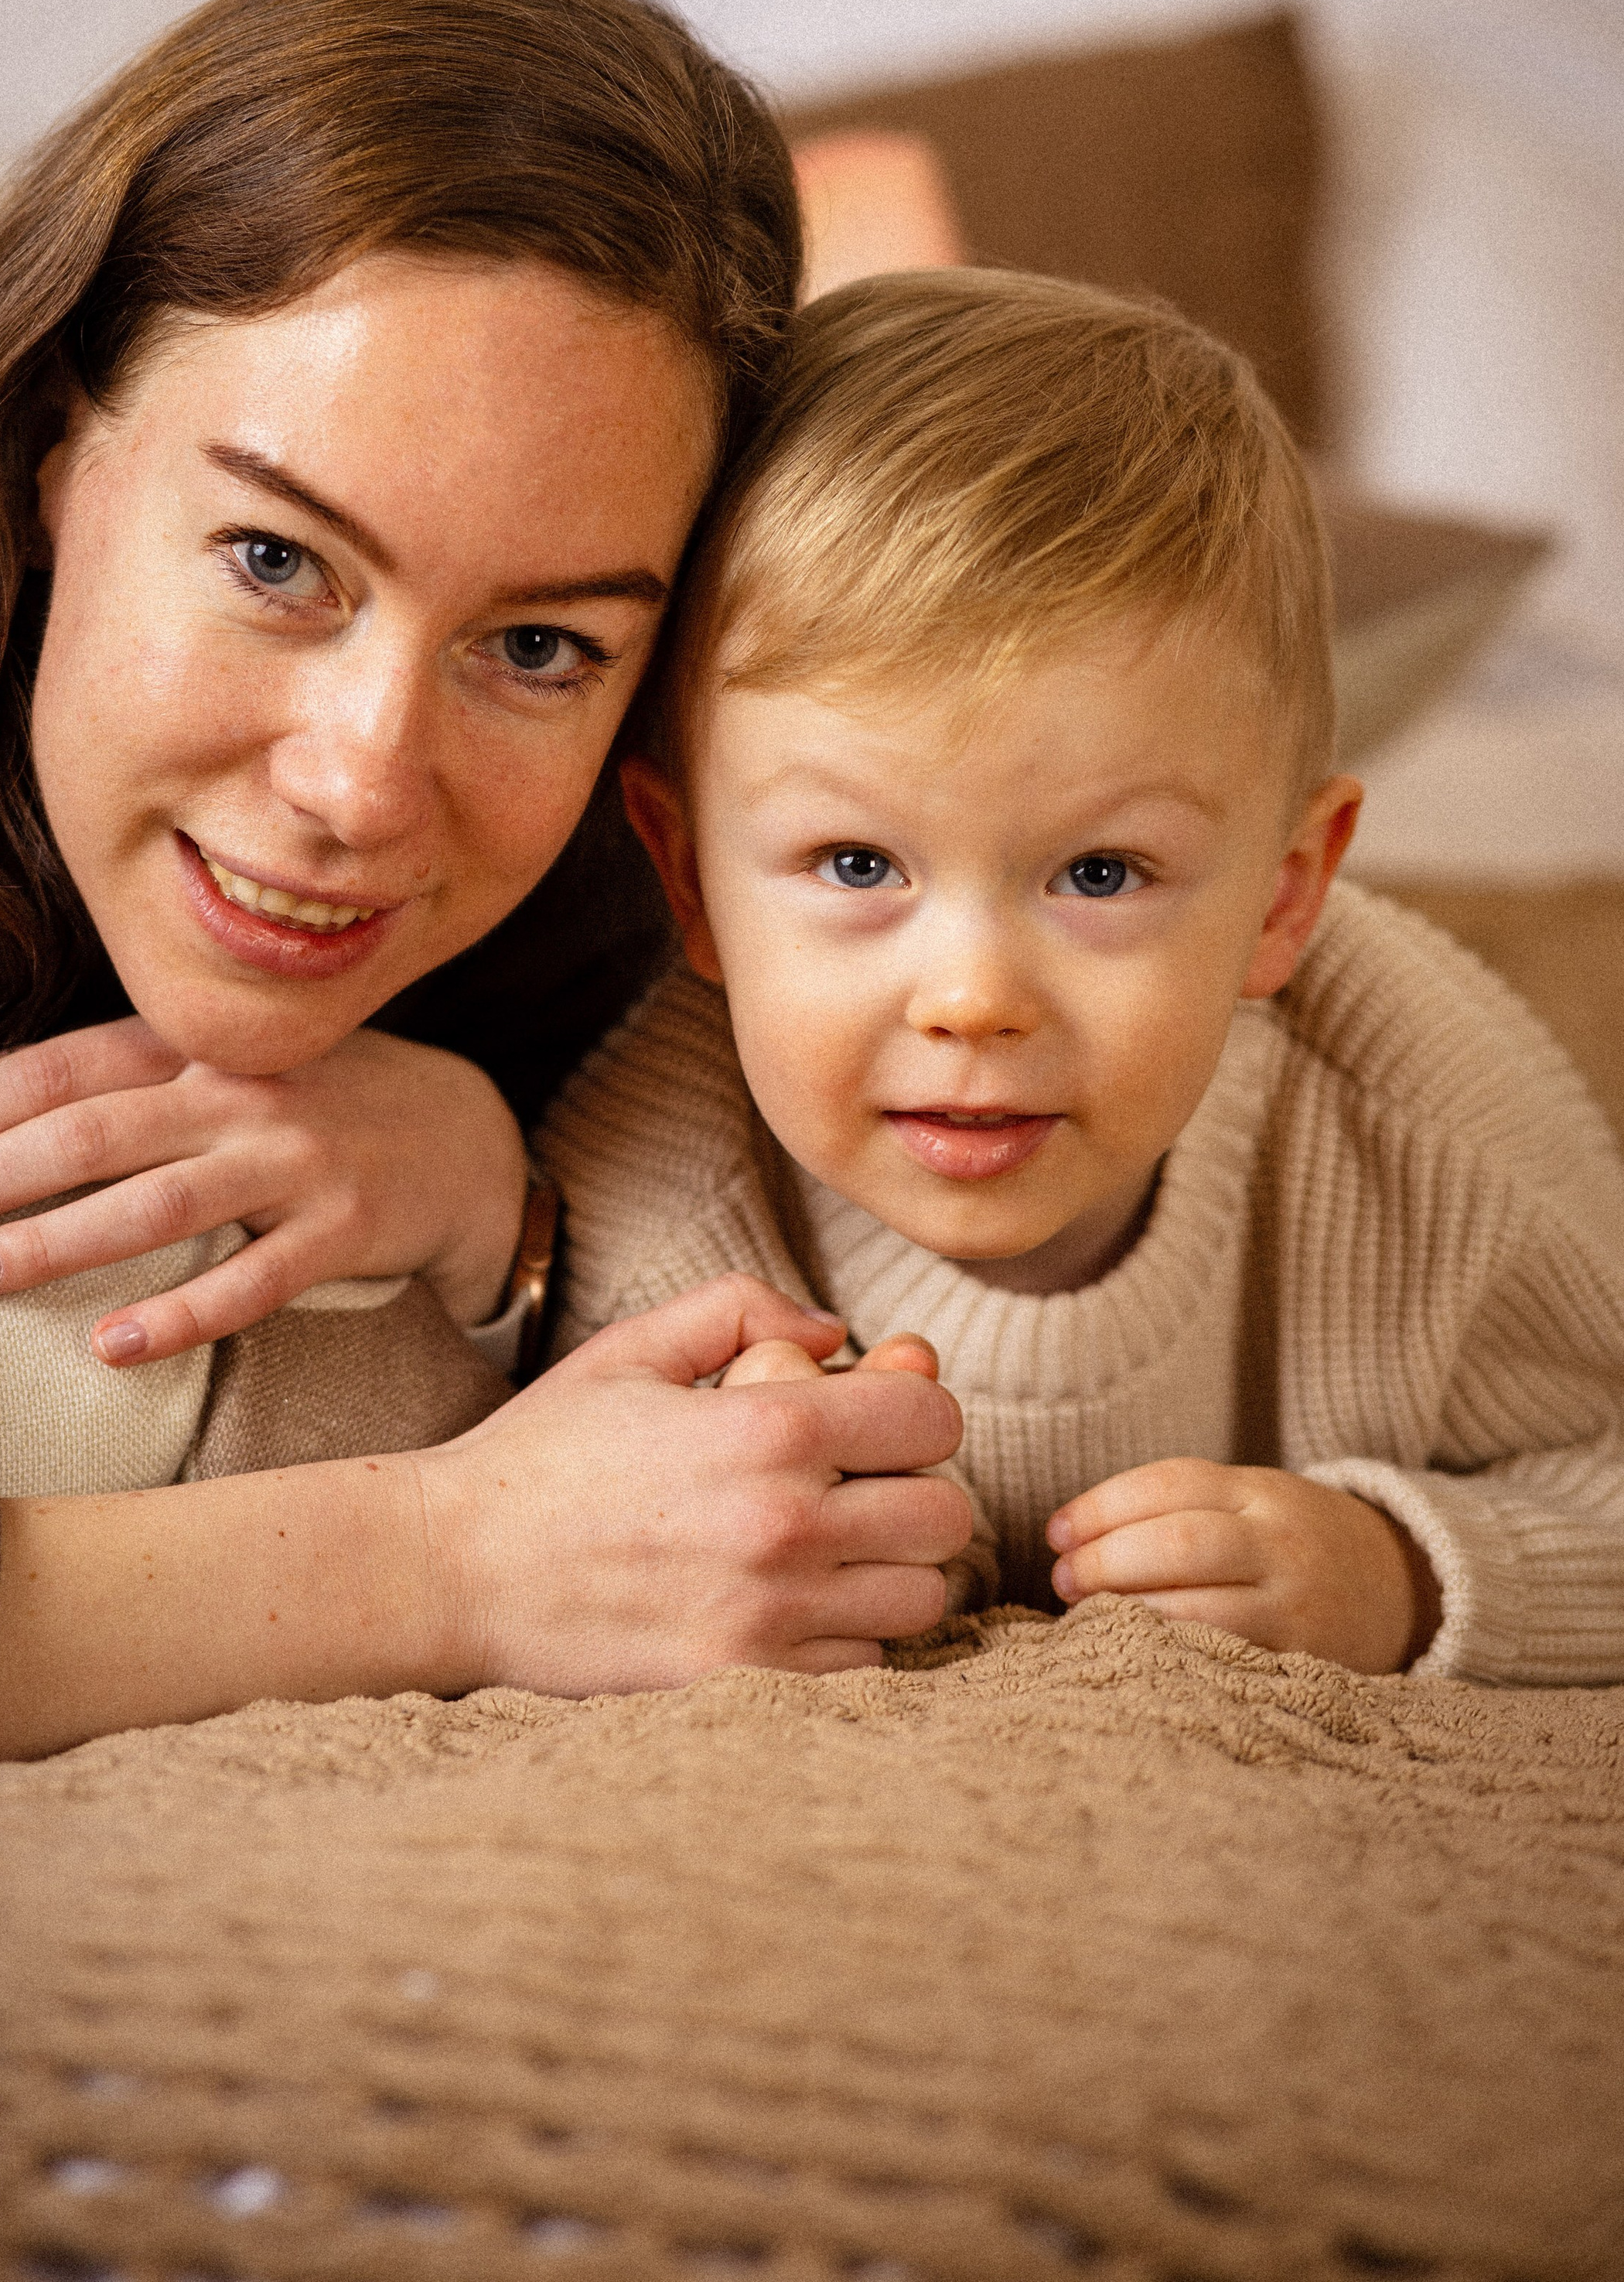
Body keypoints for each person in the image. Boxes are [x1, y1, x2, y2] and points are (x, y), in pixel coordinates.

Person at [0, 0, 972, 1804]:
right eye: (276, 562)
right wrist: (444, 1563)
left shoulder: (648, 858)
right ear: (45, 444)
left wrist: (500, 1200)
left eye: (537, 645)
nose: (361, 785)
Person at [539, 268, 1624, 1685]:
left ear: (1284, 895)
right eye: (859, 865)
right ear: (688, 880)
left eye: (1100, 874)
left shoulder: (1431, 1143)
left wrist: (1402, 1574)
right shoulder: (649, 1198)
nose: (974, 999)